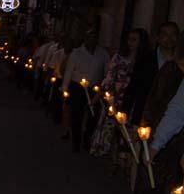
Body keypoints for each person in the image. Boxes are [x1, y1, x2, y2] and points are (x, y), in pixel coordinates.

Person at [90, 29, 147, 158]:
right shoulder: (119, 57)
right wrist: (100, 94)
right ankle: (103, 149)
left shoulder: (144, 61)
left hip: (131, 99)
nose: (131, 43)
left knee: (125, 129)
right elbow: (109, 77)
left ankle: (121, 157)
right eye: (129, 39)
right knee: (109, 126)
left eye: (134, 40)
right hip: (115, 98)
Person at [62, 29, 109, 154]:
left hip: (94, 89)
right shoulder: (76, 53)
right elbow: (69, 71)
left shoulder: (103, 54)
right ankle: (76, 142)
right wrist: (65, 89)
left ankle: (87, 139)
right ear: (85, 38)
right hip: (77, 87)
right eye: (89, 37)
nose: (92, 40)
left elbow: (107, 71)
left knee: (93, 115)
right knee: (76, 115)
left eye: (94, 37)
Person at [125, 22, 177, 125]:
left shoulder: (180, 62)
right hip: (144, 114)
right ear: (158, 38)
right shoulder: (146, 59)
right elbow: (133, 87)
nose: (169, 38)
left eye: (173, 35)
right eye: (165, 35)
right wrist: (125, 112)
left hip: (170, 117)